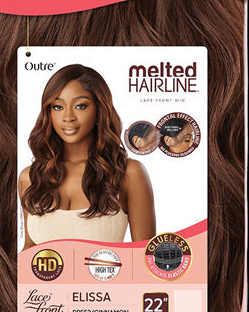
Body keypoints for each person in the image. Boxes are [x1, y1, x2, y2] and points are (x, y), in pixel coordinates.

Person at [19, 64, 155, 248]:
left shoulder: (129, 173)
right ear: (48, 112)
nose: (68, 117)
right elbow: (30, 250)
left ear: (100, 109)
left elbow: (145, 256)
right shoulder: (30, 177)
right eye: (57, 107)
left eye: (80, 106)